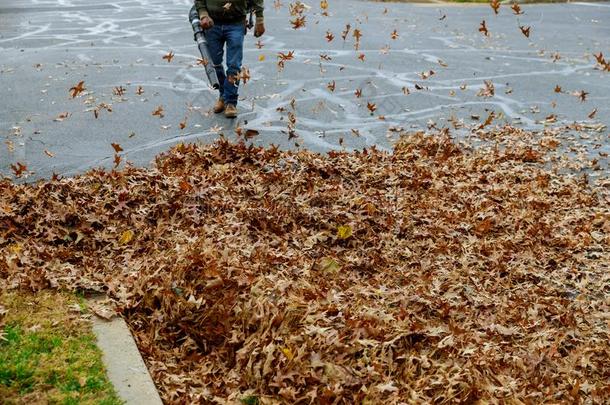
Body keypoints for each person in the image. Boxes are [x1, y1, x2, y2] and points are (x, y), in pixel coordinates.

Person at [195, 0, 265, 118]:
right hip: (212, 24)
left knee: (234, 64)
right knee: (214, 63)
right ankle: (223, 96)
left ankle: (231, 102)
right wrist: (203, 14)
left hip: (236, 23)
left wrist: (260, 20)